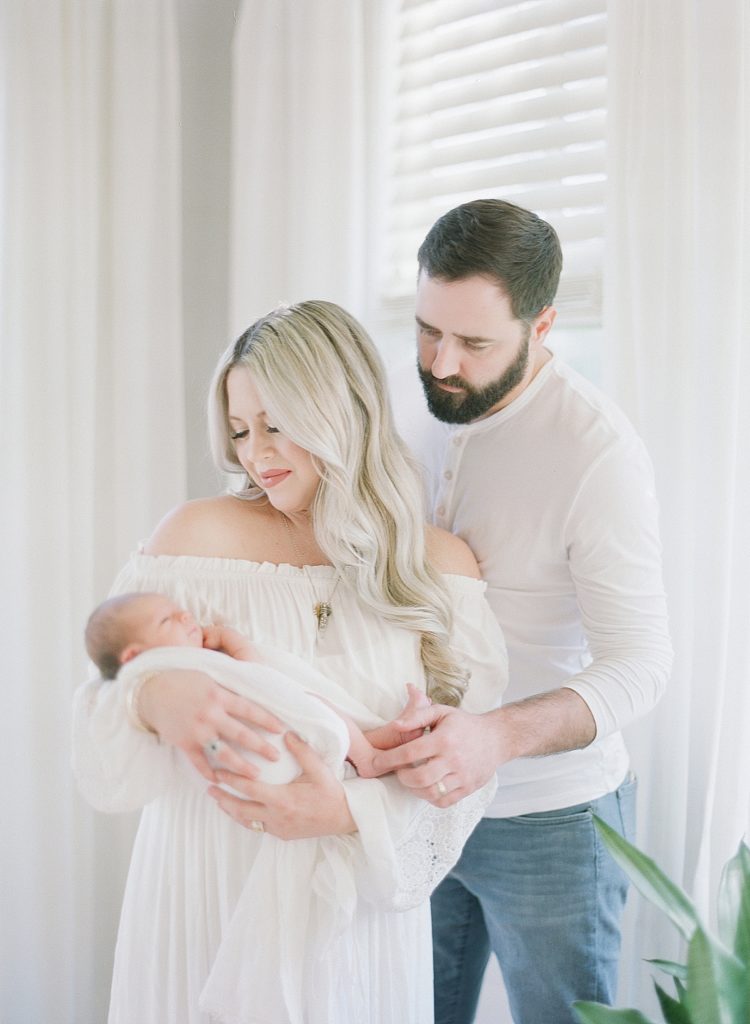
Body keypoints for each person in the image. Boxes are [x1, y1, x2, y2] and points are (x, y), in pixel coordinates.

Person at [71, 299, 509, 1024]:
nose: (256, 453)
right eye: (241, 430)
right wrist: (156, 697)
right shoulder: (195, 538)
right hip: (204, 889)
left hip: (355, 917)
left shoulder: (439, 572)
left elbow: (465, 780)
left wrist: (345, 812)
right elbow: (97, 717)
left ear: (344, 414)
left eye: (276, 425)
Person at [373, 199, 674, 1024]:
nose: (440, 362)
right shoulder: (407, 396)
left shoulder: (598, 456)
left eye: (474, 343)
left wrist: (495, 737)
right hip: (412, 800)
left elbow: (643, 663)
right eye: (428, 330)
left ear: (543, 326)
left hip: (550, 820)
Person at [84, 589, 431, 778]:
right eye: (167, 619)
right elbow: (260, 679)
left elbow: (258, 681)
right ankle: (369, 758)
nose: (186, 616)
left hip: (269, 752)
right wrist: (239, 647)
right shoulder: (167, 668)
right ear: (133, 655)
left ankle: (375, 739)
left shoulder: (185, 661)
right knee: (311, 703)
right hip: (261, 750)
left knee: (312, 701)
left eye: (180, 610)